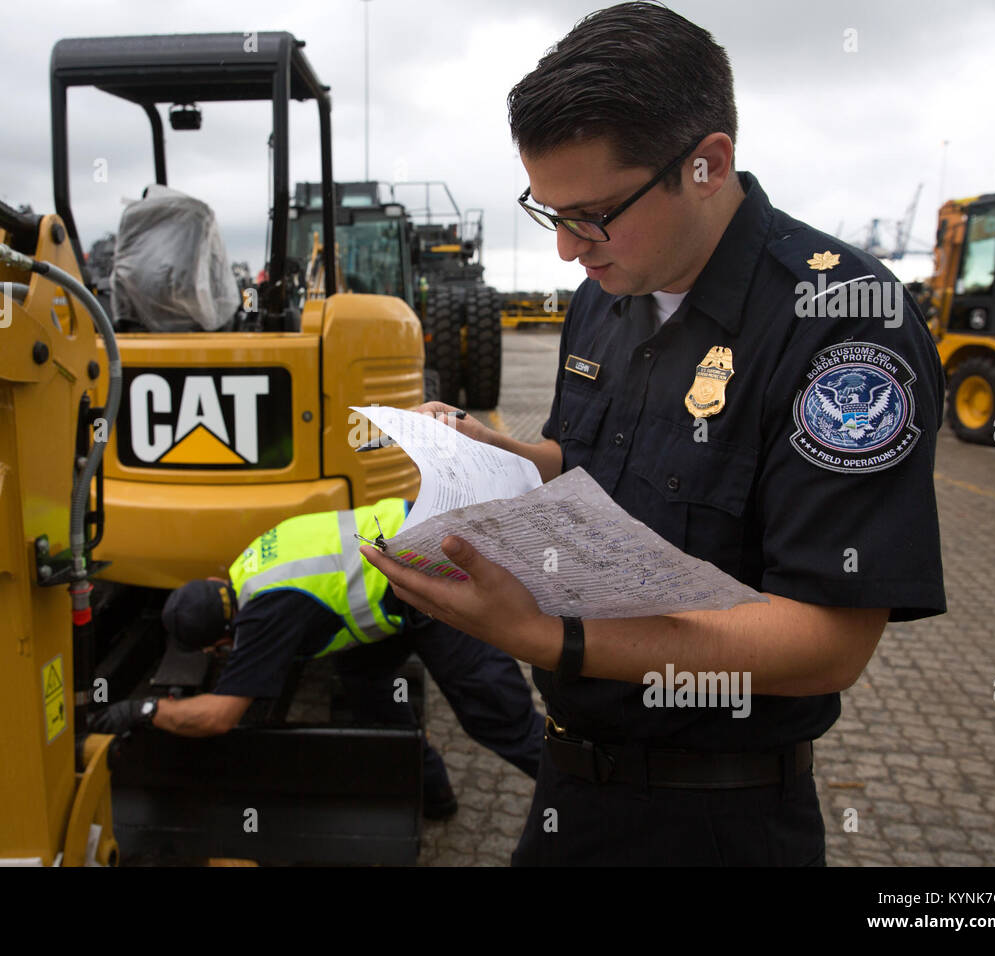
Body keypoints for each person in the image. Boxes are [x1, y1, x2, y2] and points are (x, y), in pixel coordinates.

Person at [360, 1, 946, 865]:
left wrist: (548, 637)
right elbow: (594, 460)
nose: (566, 251)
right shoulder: (608, 289)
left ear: (707, 165)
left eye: (591, 214)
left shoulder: (839, 326)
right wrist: (507, 455)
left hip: (717, 815)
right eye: (546, 211)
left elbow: (828, 643)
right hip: (568, 786)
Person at [91, 498, 544, 820]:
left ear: (222, 639)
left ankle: (589, 801)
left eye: (218, 650)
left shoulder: (266, 613)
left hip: (435, 578)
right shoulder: (248, 563)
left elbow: (219, 718)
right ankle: (431, 792)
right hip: (410, 551)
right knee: (365, 681)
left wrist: (144, 710)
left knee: (495, 716)